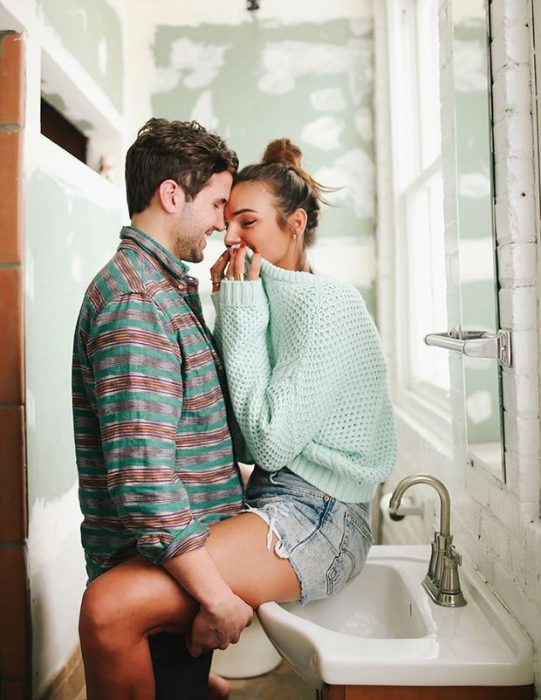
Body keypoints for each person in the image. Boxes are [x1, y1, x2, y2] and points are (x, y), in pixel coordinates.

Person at [77, 137, 397, 700]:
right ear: (173, 195)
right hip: (274, 500)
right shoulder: (223, 297)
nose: (228, 234)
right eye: (225, 214)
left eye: (243, 219)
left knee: (112, 609)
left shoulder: (326, 304)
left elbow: (265, 444)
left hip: (318, 513)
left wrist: (236, 308)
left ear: (294, 224)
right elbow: (245, 437)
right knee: (139, 625)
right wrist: (237, 306)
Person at [72, 117, 252, 700]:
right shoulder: (137, 302)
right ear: (172, 194)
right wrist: (216, 596)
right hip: (161, 572)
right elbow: (146, 480)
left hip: (178, 567)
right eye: (219, 203)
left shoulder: (165, 291)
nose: (225, 225)